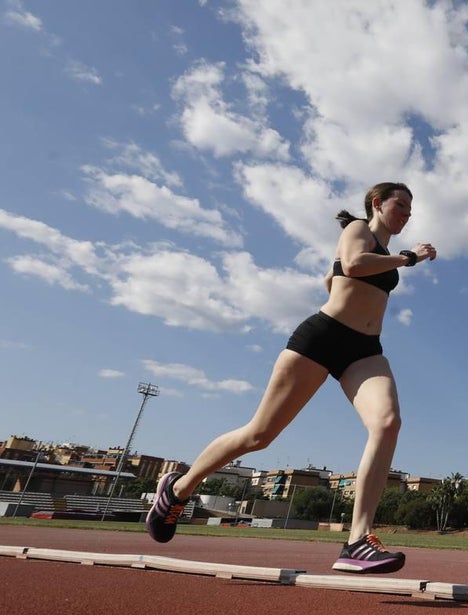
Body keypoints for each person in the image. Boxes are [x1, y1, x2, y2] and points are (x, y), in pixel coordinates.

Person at [145, 182, 436, 574]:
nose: (406, 214)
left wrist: (346, 278)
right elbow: (351, 266)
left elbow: (335, 279)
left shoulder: (382, 251)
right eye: (400, 205)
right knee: (259, 435)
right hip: (322, 338)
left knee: (388, 423)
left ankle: (357, 541)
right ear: (377, 204)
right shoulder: (357, 231)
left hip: (365, 350)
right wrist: (409, 258)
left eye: (410, 209)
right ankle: (179, 488)